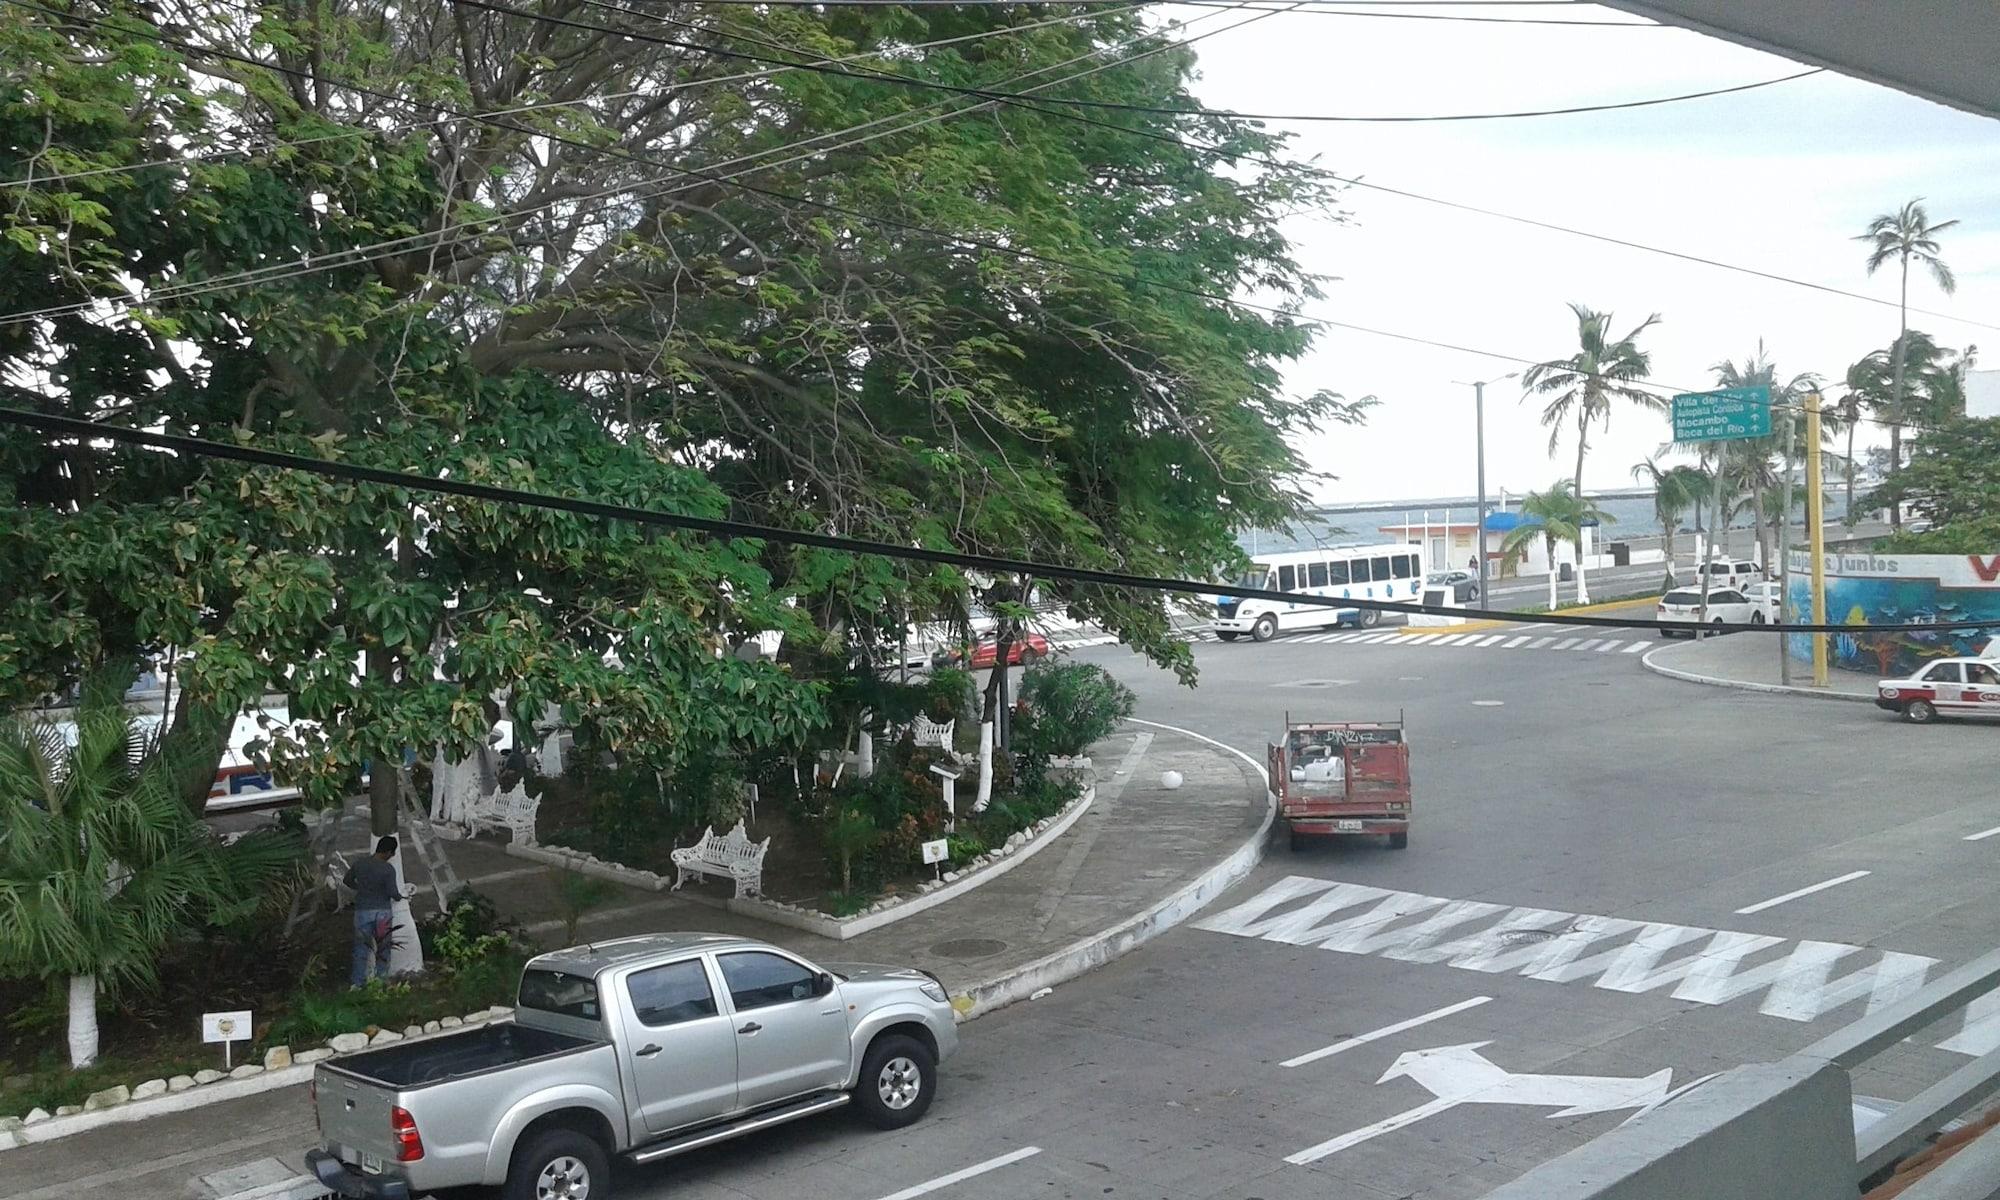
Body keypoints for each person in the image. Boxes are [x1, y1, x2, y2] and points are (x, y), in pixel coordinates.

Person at [345, 836, 402, 987]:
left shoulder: (360, 864)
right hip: (382, 914)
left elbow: (347, 880)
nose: (393, 856)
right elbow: (393, 893)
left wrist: (360, 889)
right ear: (388, 851)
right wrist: (401, 896)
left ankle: (357, 984)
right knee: (383, 948)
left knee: (361, 948)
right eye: (392, 852)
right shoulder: (387, 869)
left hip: (362, 911)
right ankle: (380, 982)